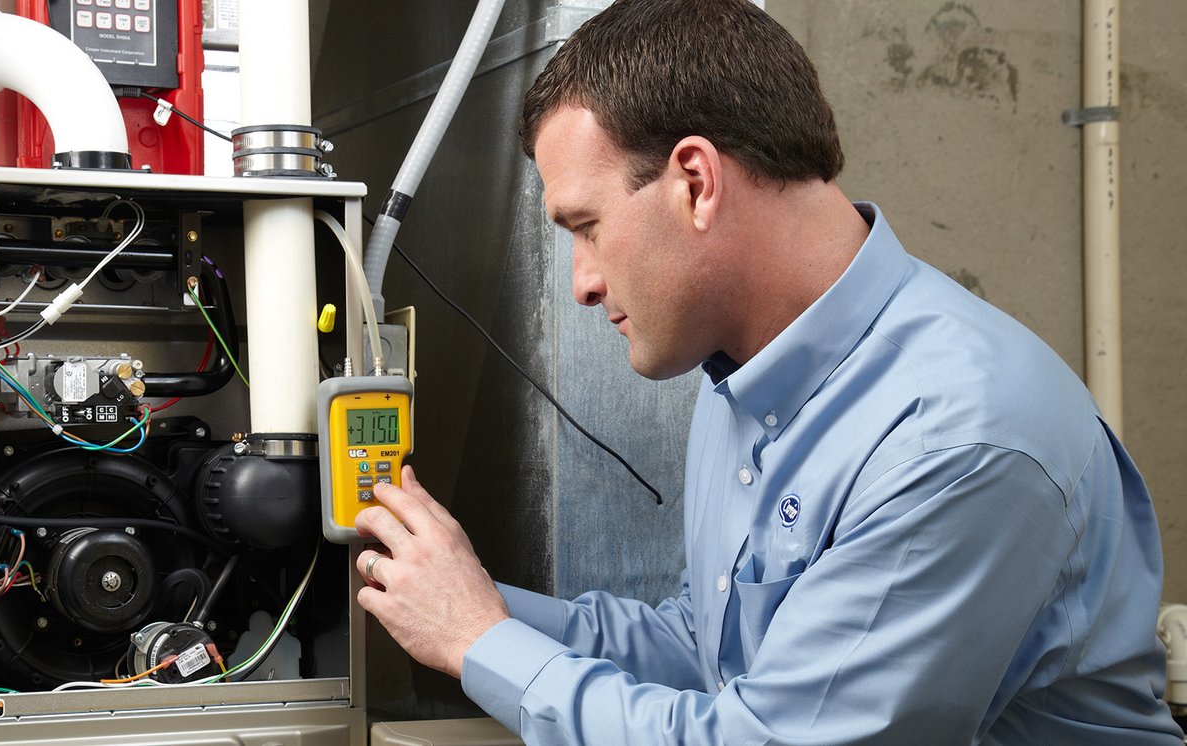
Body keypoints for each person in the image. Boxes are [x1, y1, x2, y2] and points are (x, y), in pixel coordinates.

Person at [350, 0, 1184, 743]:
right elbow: (705, 648)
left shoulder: (957, 437)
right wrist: (461, 601)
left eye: (588, 226)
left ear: (696, 182)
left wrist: (480, 642)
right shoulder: (743, 377)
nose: (583, 282)